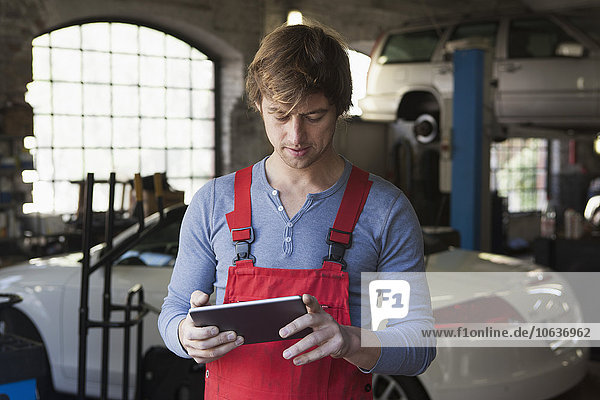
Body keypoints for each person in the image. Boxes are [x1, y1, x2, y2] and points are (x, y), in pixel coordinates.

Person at [158, 21, 436, 399]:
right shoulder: (214, 202)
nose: (295, 137)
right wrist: (183, 335)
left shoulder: (384, 210)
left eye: (313, 116)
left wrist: (350, 340)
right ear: (258, 105)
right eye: (279, 114)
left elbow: (417, 344)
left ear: (340, 107)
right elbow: (174, 308)